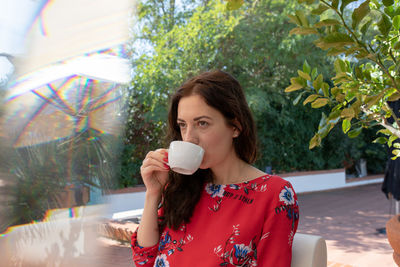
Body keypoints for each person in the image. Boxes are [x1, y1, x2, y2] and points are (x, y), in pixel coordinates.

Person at [131, 70, 299, 266]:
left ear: (235, 126)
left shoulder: (274, 195)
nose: (189, 138)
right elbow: (144, 260)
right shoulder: (179, 187)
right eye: (182, 125)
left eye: (202, 123)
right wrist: (153, 193)